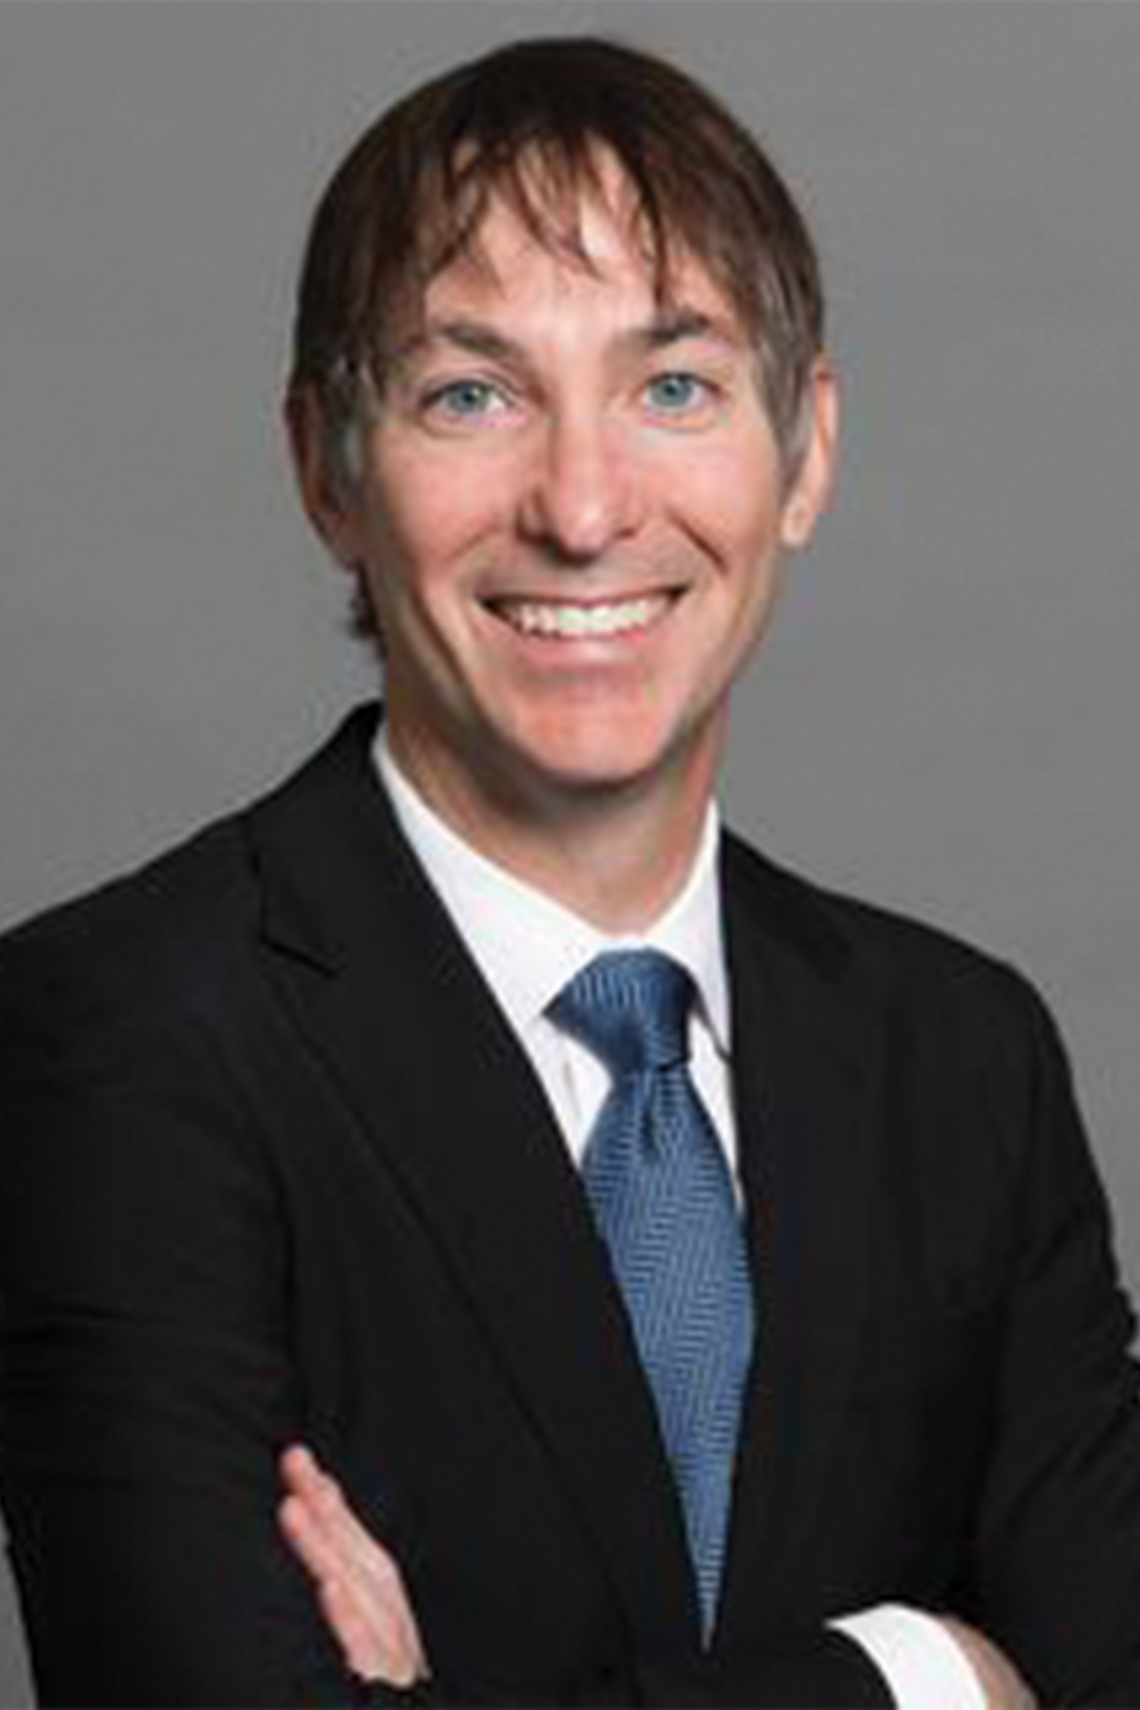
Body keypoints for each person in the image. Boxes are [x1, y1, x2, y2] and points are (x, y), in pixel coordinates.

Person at [1, 33, 1138, 1708]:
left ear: (805, 450)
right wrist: (921, 1674)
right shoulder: (108, 1039)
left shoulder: (965, 1058)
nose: (586, 506)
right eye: (475, 393)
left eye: (674, 385)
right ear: (328, 467)